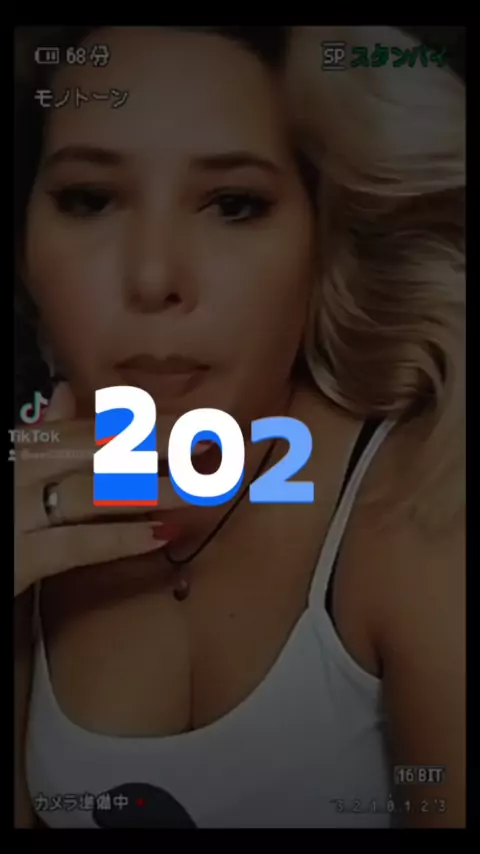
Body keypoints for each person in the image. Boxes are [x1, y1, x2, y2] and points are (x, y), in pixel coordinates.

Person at [14, 26, 465, 828]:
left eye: (233, 204)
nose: (153, 276)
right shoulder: (27, 486)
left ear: (323, 237)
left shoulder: (418, 514)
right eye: (90, 199)